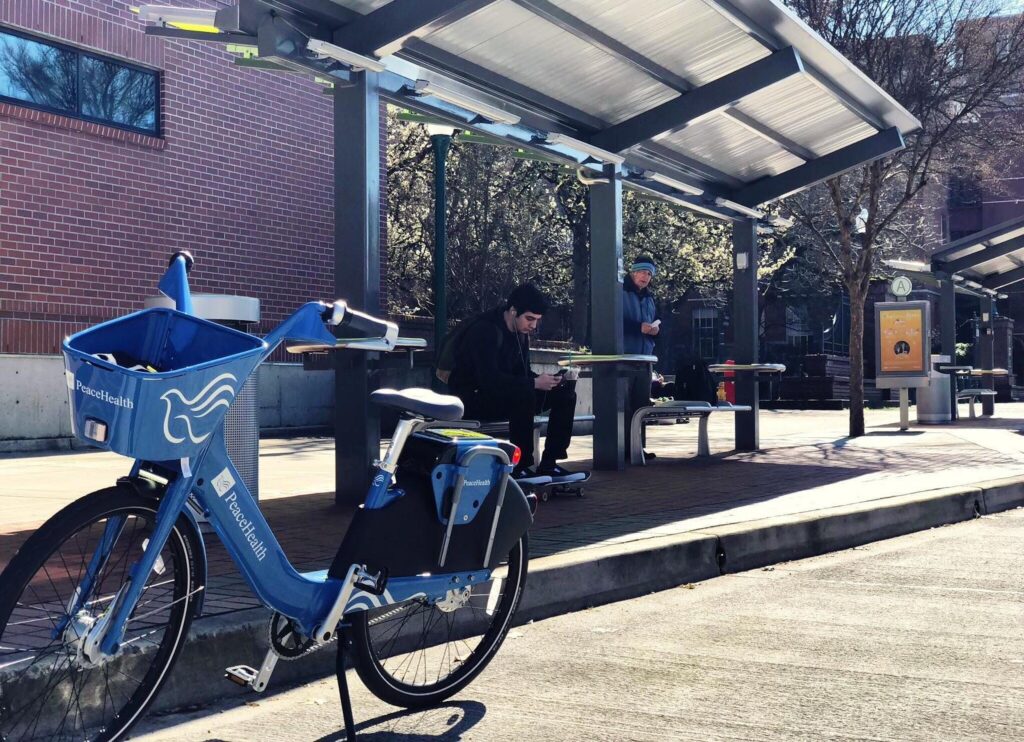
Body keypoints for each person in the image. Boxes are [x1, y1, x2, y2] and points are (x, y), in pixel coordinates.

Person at [447, 283, 582, 479]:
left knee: (566, 395)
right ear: (512, 311)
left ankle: (550, 462)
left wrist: (550, 381)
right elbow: (489, 380)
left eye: (537, 320)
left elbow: (522, 373)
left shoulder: (521, 335)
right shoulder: (484, 331)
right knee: (524, 394)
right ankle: (520, 466)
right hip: (473, 399)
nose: (533, 326)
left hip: (507, 395)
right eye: (529, 319)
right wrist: (533, 384)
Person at [622, 255, 660, 459]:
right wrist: (639, 328)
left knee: (641, 405)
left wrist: (655, 331)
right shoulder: (619, 292)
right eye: (643, 272)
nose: (646, 277)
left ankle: (638, 447)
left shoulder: (650, 298)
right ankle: (624, 447)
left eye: (649, 274)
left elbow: (654, 322)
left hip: (645, 358)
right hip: (626, 357)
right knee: (626, 405)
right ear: (633, 272)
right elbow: (615, 321)